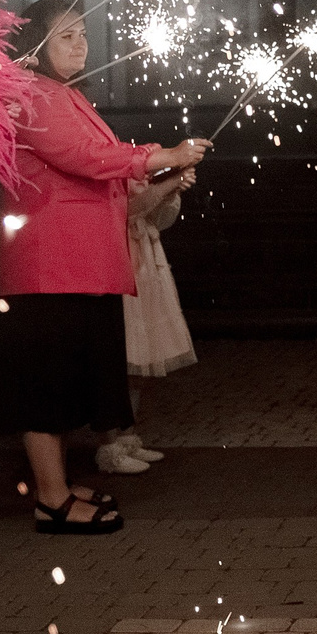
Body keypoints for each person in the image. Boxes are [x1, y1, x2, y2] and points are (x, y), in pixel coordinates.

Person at [0, 0, 207, 529]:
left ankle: (58, 486)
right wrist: (162, 155)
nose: (81, 45)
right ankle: (51, 500)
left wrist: (159, 177)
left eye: (83, 34)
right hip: (48, 264)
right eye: (66, 36)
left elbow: (99, 170)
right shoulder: (31, 94)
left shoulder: (61, 93)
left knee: (63, 383)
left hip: (73, 263)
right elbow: (84, 158)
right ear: (36, 46)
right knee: (45, 387)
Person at [95, 164, 196, 475]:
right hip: (118, 261)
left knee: (139, 359)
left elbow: (159, 219)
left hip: (146, 266)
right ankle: (109, 444)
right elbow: (126, 210)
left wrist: (170, 190)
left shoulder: (140, 170)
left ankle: (126, 436)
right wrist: (166, 186)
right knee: (118, 359)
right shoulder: (109, 168)